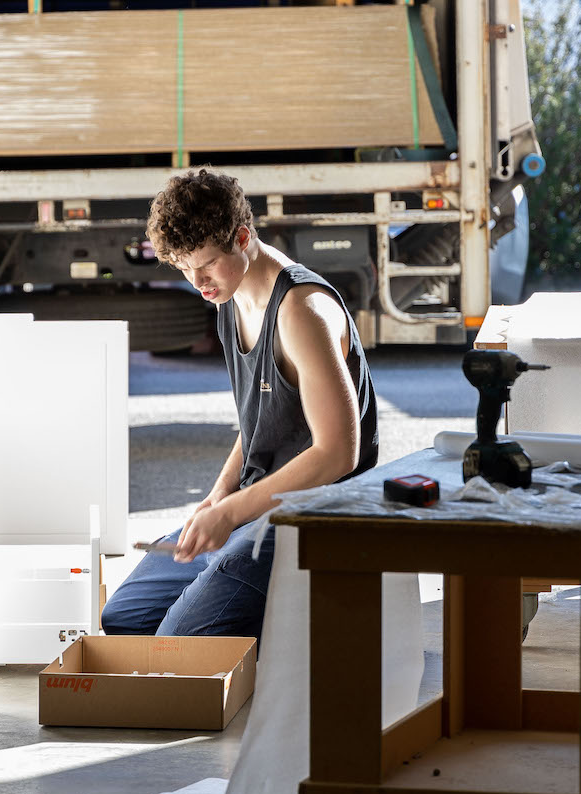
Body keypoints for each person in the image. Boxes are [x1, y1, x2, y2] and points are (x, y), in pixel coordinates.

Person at [101, 169, 379, 639]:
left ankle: (299, 630)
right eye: (184, 269)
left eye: (206, 265)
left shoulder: (301, 313)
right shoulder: (229, 297)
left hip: (316, 511)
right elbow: (260, 423)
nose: (198, 282)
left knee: (180, 641)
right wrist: (217, 497)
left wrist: (229, 515)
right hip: (259, 500)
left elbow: (338, 453)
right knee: (124, 617)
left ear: (243, 237)